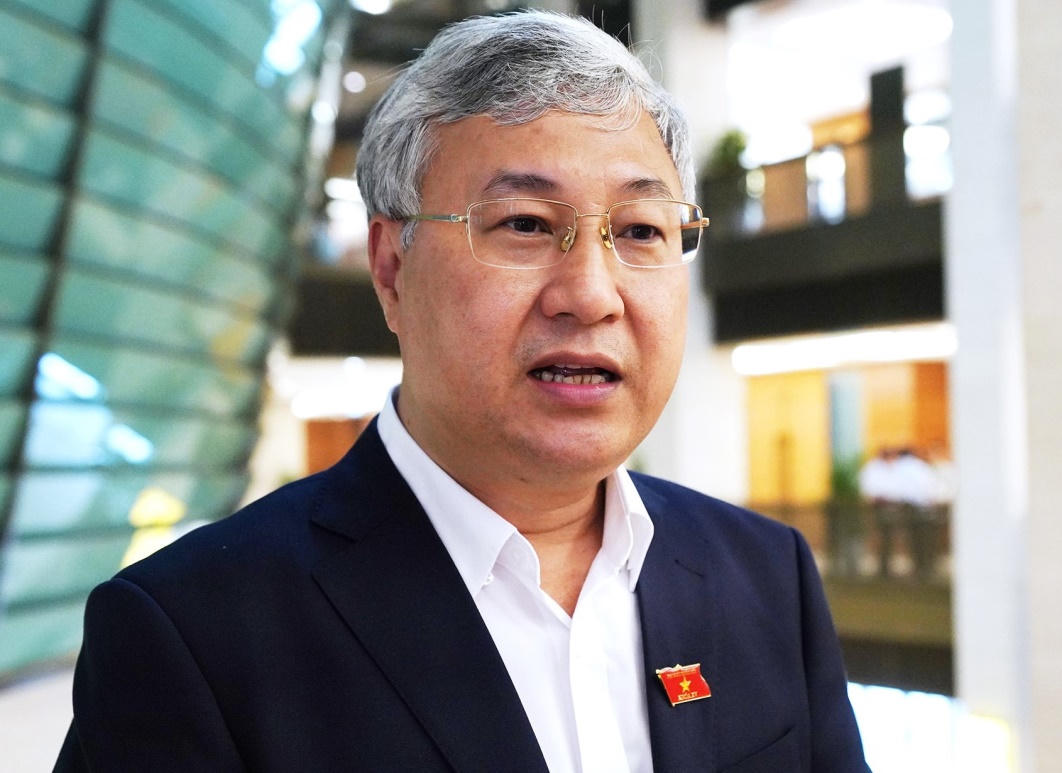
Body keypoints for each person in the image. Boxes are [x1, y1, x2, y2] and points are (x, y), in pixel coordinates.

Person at [56, 11, 868, 772]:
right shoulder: (192, 636)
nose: (591, 294)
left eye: (639, 230)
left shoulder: (766, 574)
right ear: (391, 268)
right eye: (524, 224)